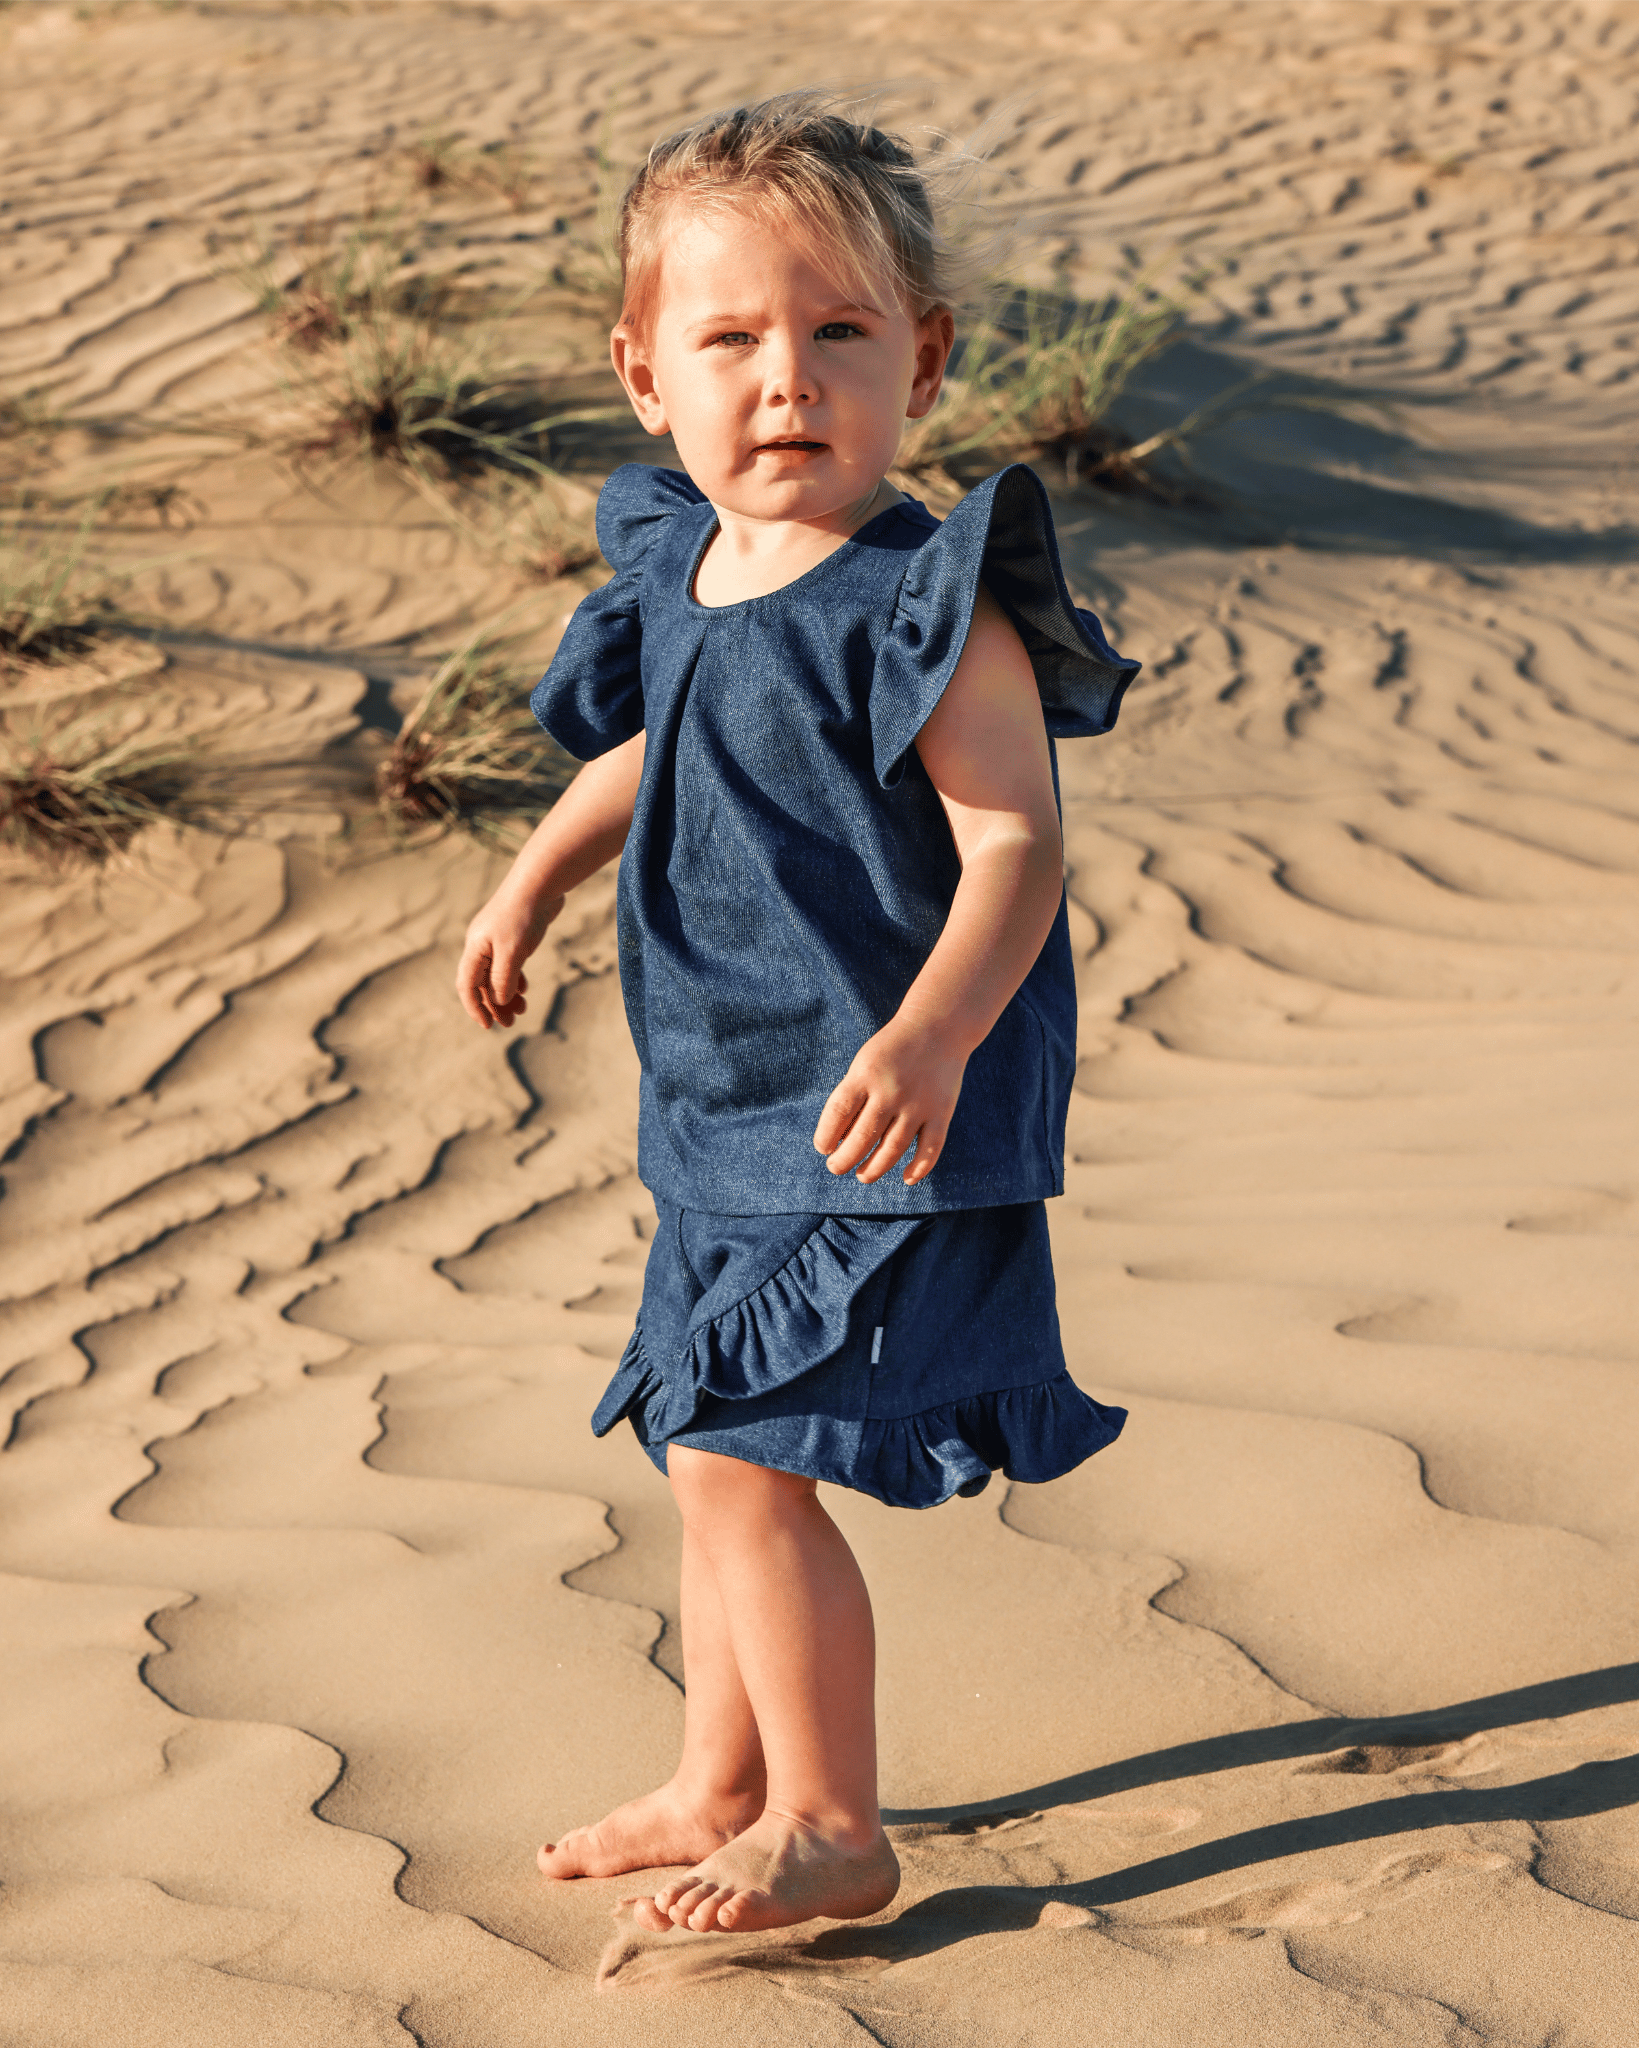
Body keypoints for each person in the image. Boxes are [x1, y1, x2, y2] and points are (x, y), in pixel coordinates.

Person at [455, 92, 1137, 1938]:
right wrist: (532, 876)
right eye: (732, 338)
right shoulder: (686, 564)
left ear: (919, 362)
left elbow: (1012, 849)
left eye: (839, 333)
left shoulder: (925, 608)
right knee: (703, 1451)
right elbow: (641, 751)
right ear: (643, 373)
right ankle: (719, 1778)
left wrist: (926, 1038)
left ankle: (832, 1821)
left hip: (879, 1103)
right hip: (722, 1098)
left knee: (744, 1465)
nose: (787, 381)